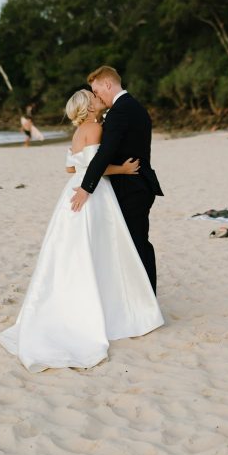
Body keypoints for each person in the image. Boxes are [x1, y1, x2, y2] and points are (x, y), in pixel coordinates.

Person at [0, 89, 163, 371]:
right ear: (89, 106)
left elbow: (71, 169)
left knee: (75, 251)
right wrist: (121, 170)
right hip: (93, 195)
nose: (99, 97)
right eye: (93, 97)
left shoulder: (78, 132)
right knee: (100, 249)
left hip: (71, 194)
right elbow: (94, 168)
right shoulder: (96, 128)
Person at [70, 65, 163, 294]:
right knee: (132, 244)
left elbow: (104, 153)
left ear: (107, 85)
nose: (96, 95)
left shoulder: (122, 110)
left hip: (132, 187)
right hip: (132, 185)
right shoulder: (131, 106)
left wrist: (86, 187)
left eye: (96, 90)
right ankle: (137, 296)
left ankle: (147, 298)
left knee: (137, 245)